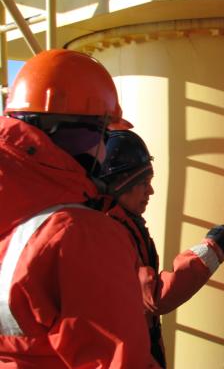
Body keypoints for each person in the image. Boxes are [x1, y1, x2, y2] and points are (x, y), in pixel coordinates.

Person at [0, 49, 161, 368]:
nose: (103, 151)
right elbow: (120, 361)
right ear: (71, 134)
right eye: (101, 135)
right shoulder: (79, 233)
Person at [99, 130, 224, 368]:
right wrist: (212, 250)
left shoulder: (121, 224)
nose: (150, 191)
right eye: (144, 183)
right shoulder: (113, 233)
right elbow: (155, 297)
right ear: (122, 185)